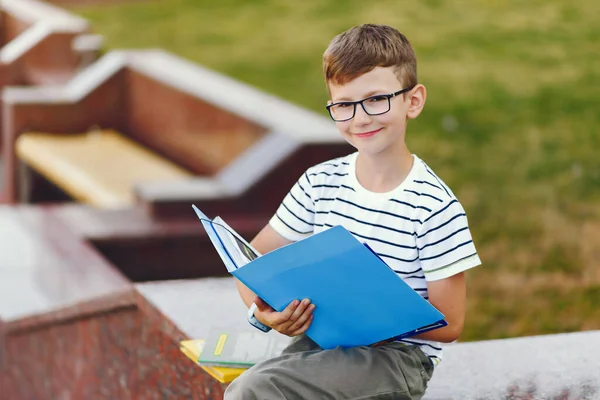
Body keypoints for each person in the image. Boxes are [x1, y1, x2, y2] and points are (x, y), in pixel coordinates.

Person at [224, 23, 482, 400]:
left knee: (256, 390)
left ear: (413, 101)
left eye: (376, 99)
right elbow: (253, 264)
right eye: (344, 105)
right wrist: (264, 313)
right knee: (248, 385)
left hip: (397, 359)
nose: (360, 118)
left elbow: (451, 323)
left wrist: (370, 316)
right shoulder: (319, 182)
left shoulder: (434, 206)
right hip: (327, 340)